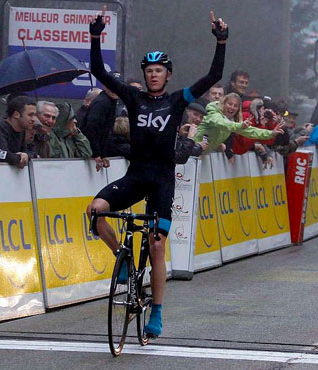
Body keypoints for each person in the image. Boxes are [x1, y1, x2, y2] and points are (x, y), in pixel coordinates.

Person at [86, 6, 228, 338]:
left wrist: (221, 41)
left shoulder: (179, 100)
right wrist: (95, 35)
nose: (153, 75)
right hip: (136, 176)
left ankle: (158, 313)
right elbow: (97, 70)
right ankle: (121, 256)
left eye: (159, 70)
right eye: (149, 70)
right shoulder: (133, 98)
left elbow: (213, 77)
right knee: (95, 211)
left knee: (157, 247)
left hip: (163, 181)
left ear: (167, 75)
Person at [194, 93, 284, 161]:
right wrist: (240, 126)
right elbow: (222, 124)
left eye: (235, 106)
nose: (232, 107)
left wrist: (271, 133)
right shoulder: (213, 113)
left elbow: (250, 131)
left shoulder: (234, 121)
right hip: (191, 150)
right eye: (230, 104)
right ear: (223, 104)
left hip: (201, 155)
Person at [80, 71, 124, 171]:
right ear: (104, 85)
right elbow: (91, 128)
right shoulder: (102, 102)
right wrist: (96, 154)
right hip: (86, 153)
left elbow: (105, 132)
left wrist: (103, 154)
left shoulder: (111, 101)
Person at [0, 96, 36, 168]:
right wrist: (19, 158)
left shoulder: (22, 130)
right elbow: (1, 154)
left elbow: (24, 152)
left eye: (35, 115)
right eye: (30, 115)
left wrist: (26, 156)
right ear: (16, 114)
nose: (34, 119)